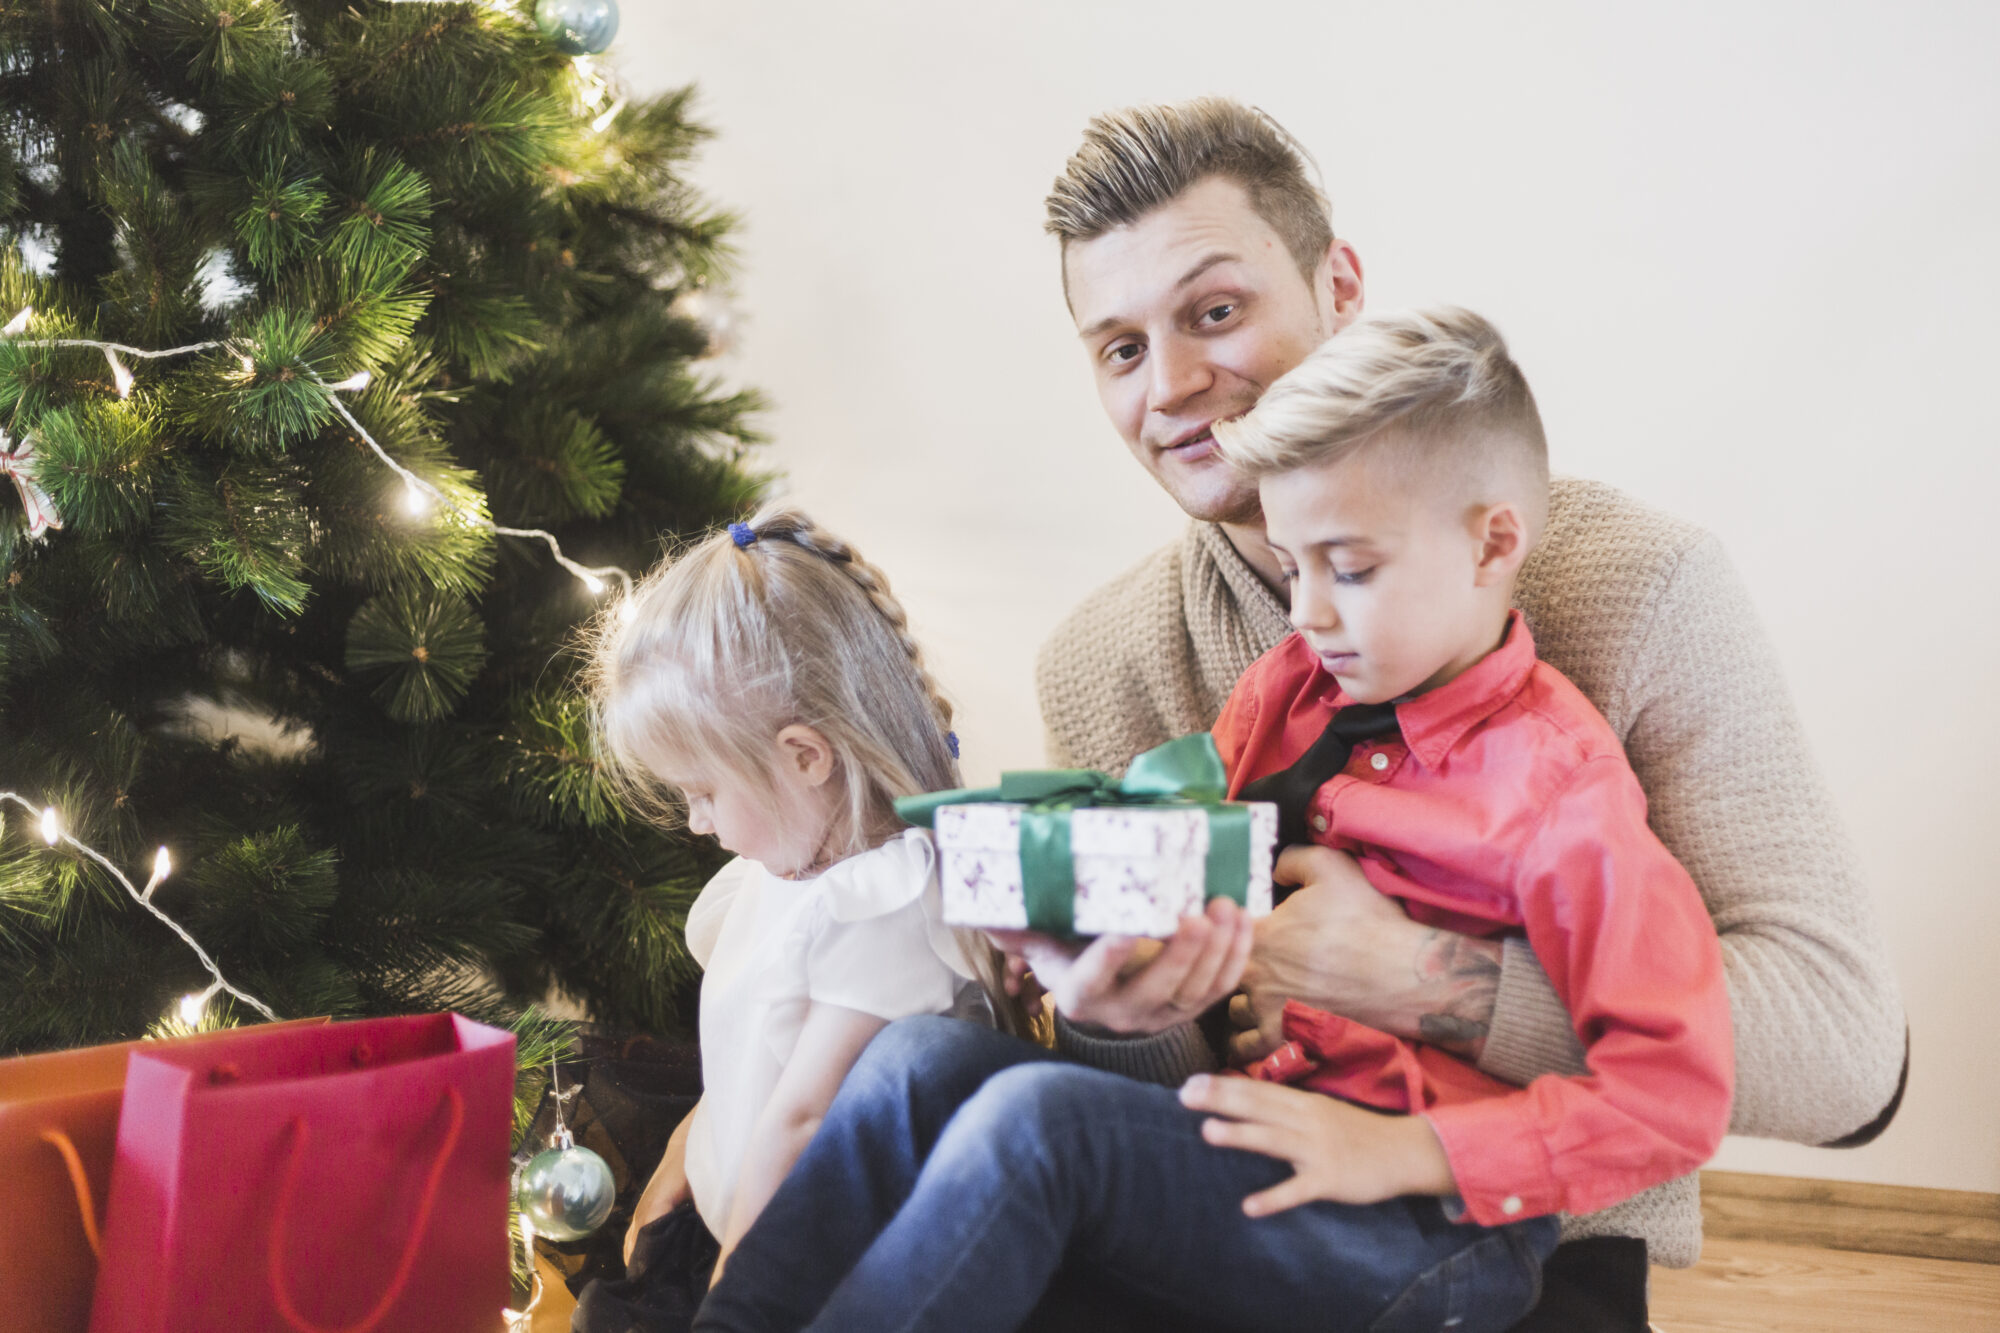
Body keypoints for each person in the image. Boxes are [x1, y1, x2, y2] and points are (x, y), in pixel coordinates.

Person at [698, 98, 1906, 1332]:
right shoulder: (1115, 661)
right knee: (922, 1082)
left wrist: (1430, 983)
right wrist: (1124, 1009)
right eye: (1119, 347)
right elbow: (1146, 1080)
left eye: (1214, 312)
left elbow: (1845, 1054)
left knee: (1024, 1145)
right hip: (1232, 1175)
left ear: (1338, 287)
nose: (1172, 385)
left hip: (1509, 1228)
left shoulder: (1629, 593)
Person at [580, 505, 1017, 1327]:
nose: (697, 822)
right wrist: (682, 1160)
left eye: (702, 792)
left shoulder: (885, 901)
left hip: (806, 1275)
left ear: (804, 756)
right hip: (727, 1230)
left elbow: (805, 1115)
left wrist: (731, 1303)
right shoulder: (778, 868)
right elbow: (748, 1060)